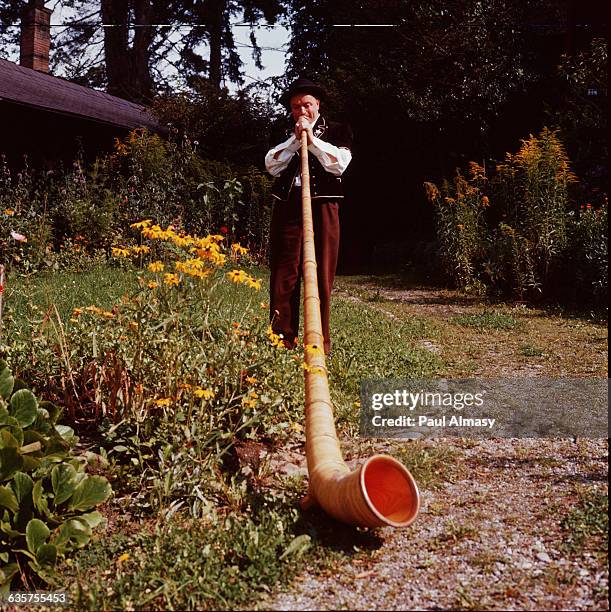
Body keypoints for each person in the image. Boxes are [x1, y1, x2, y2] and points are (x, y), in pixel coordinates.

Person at [265, 77, 353, 355]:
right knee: (283, 274)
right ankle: (282, 339)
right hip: (289, 208)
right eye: (295, 107)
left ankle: (319, 343)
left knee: (321, 275)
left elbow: (338, 165)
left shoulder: (339, 131)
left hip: (323, 207)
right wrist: (295, 140)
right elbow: (271, 165)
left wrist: (311, 140)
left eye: (306, 105)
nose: (301, 111)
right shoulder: (285, 134)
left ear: (318, 106)